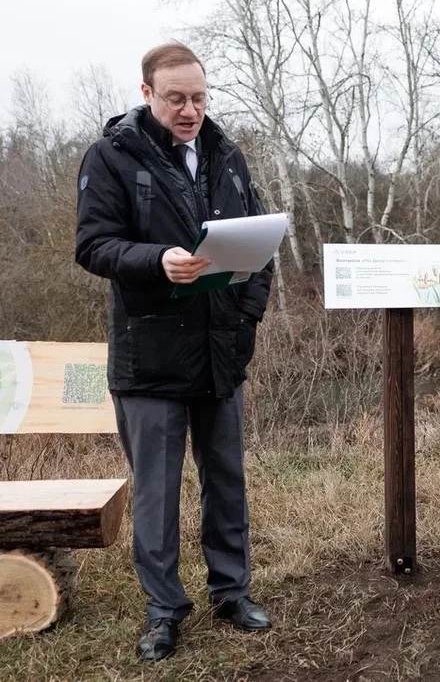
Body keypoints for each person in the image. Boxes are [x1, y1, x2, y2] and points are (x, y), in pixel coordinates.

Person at [75, 42, 274, 661]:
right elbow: (93, 245)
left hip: (221, 351)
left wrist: (246, 319)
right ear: (147, 94)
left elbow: (259, 246)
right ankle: (164, 612)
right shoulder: (111, 156)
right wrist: (157, 260)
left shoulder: (227, 155)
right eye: (176, 98)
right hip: (150, 356)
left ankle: (231, 592)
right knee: (157, 493)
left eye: (199, 98)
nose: (190, 110)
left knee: (227, 481)